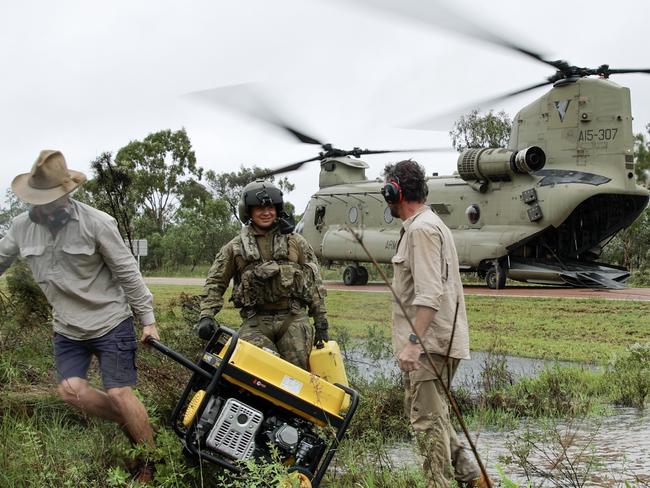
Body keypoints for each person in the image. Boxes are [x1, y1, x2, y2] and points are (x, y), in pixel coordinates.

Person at [0, 150, 160, 483]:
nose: (44, 207)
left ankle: (149, 464)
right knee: (72, 393)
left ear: (66, 194)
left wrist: (147, 320)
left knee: (119, 392)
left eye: (51, 199)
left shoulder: (97, 223)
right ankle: (138, 425)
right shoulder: (20, 227)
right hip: (67, 327)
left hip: (109, 320)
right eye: (38, 200)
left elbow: (127, 271)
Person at [381, 160, 487, 488]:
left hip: (429, 346)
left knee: (426, 423)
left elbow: (429, 294)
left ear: (394, 192)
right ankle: (472, 478)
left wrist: (414, 344)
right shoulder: (426, 225)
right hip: (434, 343)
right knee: (435, 416)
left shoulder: (421, 230)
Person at [196, 179, 328, 370]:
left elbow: (315, 283)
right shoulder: (235, 247)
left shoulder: (296, 242)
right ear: (248, 211)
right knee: (257, 375)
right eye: (259, 208)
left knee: (298, 380)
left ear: (277, 209)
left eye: (270, 208)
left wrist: (321, 322)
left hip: (293, 319)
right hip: (255, 322)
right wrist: (206, 315)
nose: (266, 213)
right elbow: (216, 282)